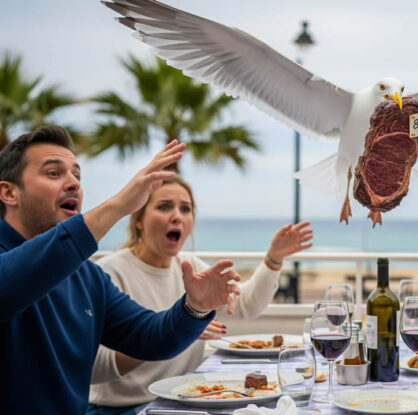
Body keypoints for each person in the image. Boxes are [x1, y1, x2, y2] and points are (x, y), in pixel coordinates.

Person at [0, 126, 241, 414]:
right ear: (8, 192)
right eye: (54, 173)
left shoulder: (86, 276)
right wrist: (119, 205)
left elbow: (149, 337)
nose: (73, 183)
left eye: (77, 175)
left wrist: (195, 307)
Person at [88, 173, 313, 413]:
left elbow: (245, 304)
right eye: (164, 206)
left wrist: (273, 260)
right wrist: (179, 331)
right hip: (119, 408)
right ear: (139, 220)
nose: (177, 216)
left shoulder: (190, 267)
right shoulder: (109, 271)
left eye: (185, 209)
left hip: (183, 402)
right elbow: (93, 365)